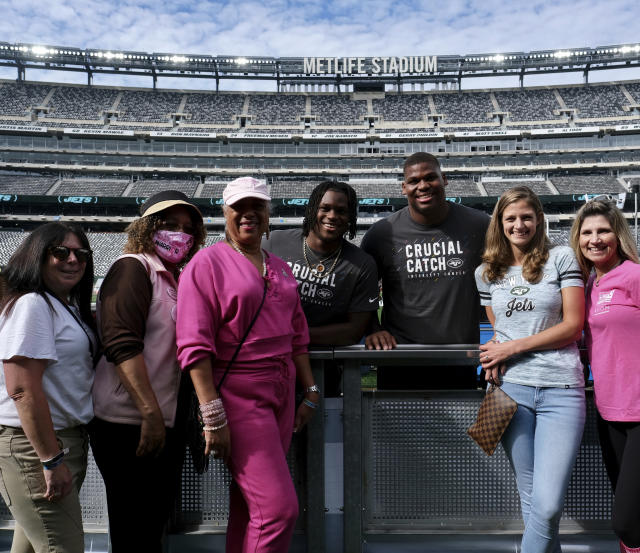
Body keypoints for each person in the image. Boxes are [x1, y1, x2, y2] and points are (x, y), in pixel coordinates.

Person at [176, 176, 318, 553]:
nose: (248, 214)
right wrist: (212, 414)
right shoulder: (206, 263)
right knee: (278, 510)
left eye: (258, 206)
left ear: (269, 213)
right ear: (225, 212)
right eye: (239, 207)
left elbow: (298, 336)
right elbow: (194, 345)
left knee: (250, 505)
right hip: (237, 394)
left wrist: (311, 392)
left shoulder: (280, 267)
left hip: (282, 393)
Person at [89, 190, 205, 553]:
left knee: (151, 527)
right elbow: (121, 343)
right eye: (169, 224)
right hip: (130, 424)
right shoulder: (133, 268)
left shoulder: (176, 278)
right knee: (134, 530)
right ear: (148, 227)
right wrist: (150, 413)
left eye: (187, 228)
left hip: (162, 423)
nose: (179, 234)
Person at [475, 186, 585, 553]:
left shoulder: (562, 257)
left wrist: (510, 347)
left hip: (561, 389)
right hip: (509, 391)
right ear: (500, 223)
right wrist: (496, 349)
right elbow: (499, 331)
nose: (519, 224)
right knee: (532, 499)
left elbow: (573, 326)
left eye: (526, 217)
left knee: (548, 503)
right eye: (510, 218)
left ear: (538, 219)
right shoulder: (486, 273)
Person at [0, 222, 96, 553]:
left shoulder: (63, 305)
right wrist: (51, 459)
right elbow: (22, 388)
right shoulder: (33, 304)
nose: (73, 260)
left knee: (31, 546)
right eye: (60, 252)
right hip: (36, 446)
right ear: (37, 256)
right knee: (62, 547)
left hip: (57, 440)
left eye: (81, 254)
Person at [361, 151, 489, 389]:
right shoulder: (381, 234)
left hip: (459, 358)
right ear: (403, 188)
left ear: (445, 179)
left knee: (460, 427)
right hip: (399, 359)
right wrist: (373, 328)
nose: (423, 186)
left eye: (430, 177)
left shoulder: (480, 226)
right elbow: (359, 291)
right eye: (414, 181)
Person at [263, 180, 379, 395]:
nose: (332, 216)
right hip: (267, 364)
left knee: (322, 425)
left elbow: (353, 332)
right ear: (312, 209)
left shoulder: (362, 264)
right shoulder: (273, 243)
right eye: (325, 208)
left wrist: (290, 335)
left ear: (351, 217)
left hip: (323, 370)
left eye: (341, 211)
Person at [570, 199, 640, 553]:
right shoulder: (588, 283)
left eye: (603, 230)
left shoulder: (635, 275)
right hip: (609, 410)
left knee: (626, 521)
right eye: (587, 232)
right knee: (633, 519)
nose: (595, 239)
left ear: (618, 235)